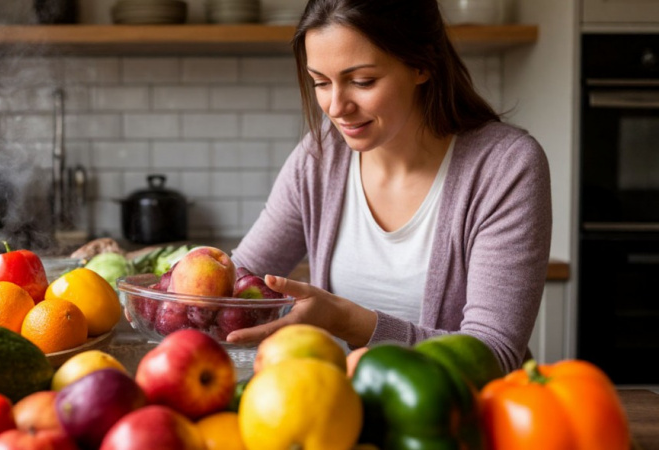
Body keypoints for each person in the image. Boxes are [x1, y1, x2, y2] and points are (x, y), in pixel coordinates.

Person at [226, 0, 552, 373]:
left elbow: (494, 355)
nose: (336, 106)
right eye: (320, 82)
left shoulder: (505, 167)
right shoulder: (320, 158)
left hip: (453, 421)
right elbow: (241, 276)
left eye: (362, 81)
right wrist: (156, 299)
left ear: (421, 64)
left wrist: (349, 322)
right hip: (332, 413)